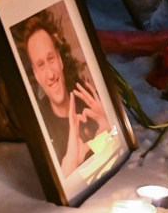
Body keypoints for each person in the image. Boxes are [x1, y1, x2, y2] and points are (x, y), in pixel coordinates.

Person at [16, 10, 109, 177]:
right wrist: (71, 165)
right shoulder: (42, 127)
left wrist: (107, 122)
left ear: (60, 60)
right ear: (36, 75)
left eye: (51, 59)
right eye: (41, 65)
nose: (51, 74)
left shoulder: (91, 102)